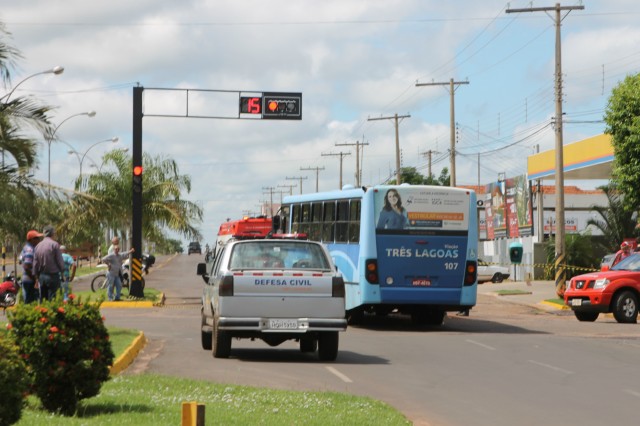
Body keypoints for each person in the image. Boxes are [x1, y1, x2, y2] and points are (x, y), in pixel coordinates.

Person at [33, 225, 65, 301]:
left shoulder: (38, 246)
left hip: (42, 276)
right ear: (52, 234)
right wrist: (63, 272)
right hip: (53, 277)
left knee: (43, 299)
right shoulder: (55, 245)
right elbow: (60, 262)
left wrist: (36, 277)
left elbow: (35, 264)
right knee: (53, 299)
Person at [20, 230, 43, 304]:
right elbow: (27, 266)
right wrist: (34, 278)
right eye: (36, 238)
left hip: (28, 279)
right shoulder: (29, 250)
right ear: (31, 239)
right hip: (29, 279)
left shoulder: (27, 248)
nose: (39, 240)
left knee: (31, 300)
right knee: (30, 301)